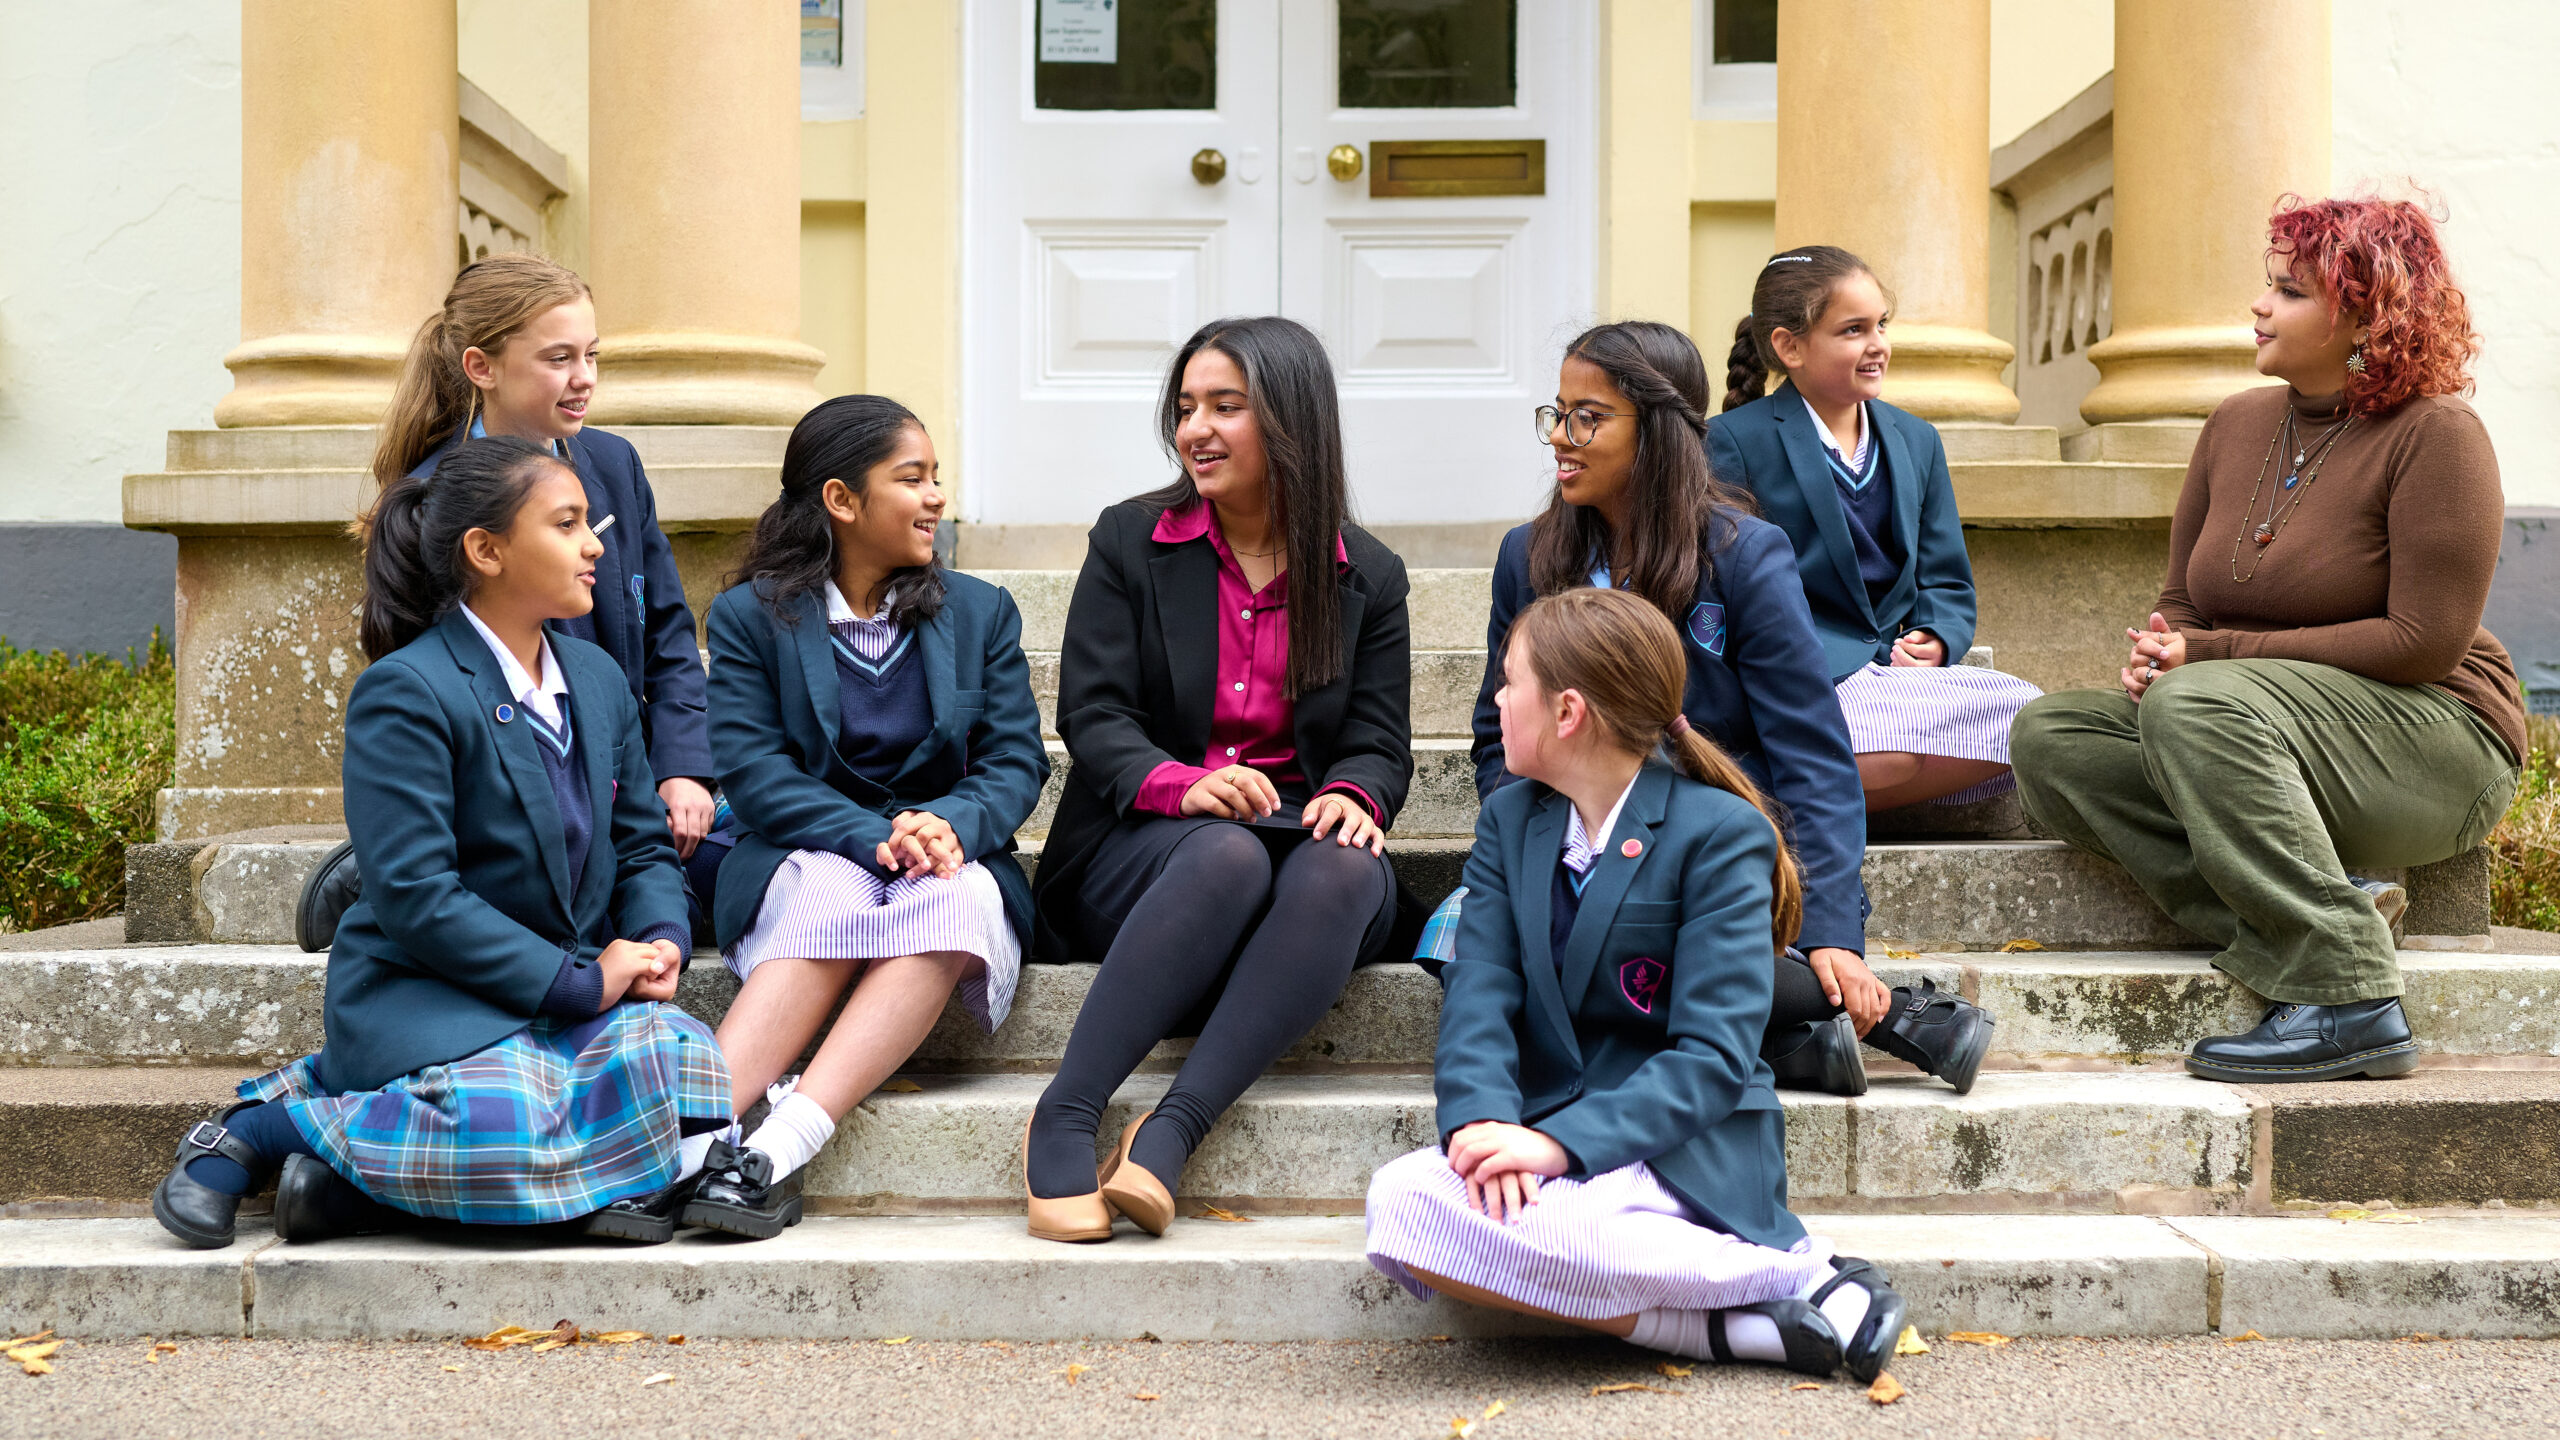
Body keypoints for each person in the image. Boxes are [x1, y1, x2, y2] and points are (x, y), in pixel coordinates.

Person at [150, 436, 731, 1250]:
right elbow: (418, 896)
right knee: (509, 1118)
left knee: (688, 1059)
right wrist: (577, 984)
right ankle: (276, 1127)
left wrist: (661, 937)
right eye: (566, 525)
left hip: (561, 996)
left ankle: (352, 1193)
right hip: (432, 993)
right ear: (486, 551)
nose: (596, 544)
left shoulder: (596, 681)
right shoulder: (406, 691)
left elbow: (640, 849)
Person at [2010, 196, 2521, 1082]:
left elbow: (2423, 642)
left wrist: (2204, 663)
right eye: (2269, 285)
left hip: (2434, 739)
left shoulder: (2437, 437)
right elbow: (2185, 604)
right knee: (2052, 740)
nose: (2260, 306)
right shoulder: (2237, 424)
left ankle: (2349, 995)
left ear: (2364, 313)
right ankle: (2336, 907)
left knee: (2198, 701)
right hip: (2245, 728)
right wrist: (2161, 652)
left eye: (2288, 291)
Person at [1369, 587, 1910, 1382]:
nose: (1495, 699)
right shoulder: (1509, 822)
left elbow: (1714, 1060)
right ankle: (1744, 1325)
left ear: (1568, 713)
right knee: (1403, 1204)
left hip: (1680, 1148)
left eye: (1509, 681)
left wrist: (1558, 1147)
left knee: (1587, 1238)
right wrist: (1488, 1129)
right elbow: (1479, 995)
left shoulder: (1719, 833)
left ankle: (1800, 1269)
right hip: (1551, 1132)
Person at [1459, 320, 1992, 1097]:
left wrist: (1830, 931)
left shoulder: (1742, 555)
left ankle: (1811, 1017)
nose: (1561, 439)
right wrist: (1534, 840)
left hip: (1697, 843)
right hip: (1565, 840)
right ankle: (1801, 1042)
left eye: (1589, 417)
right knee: (1457, 951)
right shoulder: (1530, 555)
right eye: (1558, 414)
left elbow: (1811, 753)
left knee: (1606, 944)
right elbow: (1491, 734)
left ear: (1660, 433)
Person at [1023, 316, 1414, 1242]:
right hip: (1143, 851)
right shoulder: (1130, 541)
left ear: (1290, 421)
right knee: (1228, 854)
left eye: (1224, 407)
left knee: (1349, 869)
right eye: (1186, 407)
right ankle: (1069, 1110)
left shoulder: (1370, 577)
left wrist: (1352, 794)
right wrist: (1180, 782)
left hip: (1291, 870)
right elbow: (1094, 713)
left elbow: (1379, 744)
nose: (1195, 428)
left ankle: (1171, 1131)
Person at [688, 395, 1048, 1238]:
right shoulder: (752, 616)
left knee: (957, 902)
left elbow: (1014, 763)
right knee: (829, 894)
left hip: (950, 853)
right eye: (912, 479)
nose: (936, 499)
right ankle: (682, 1145)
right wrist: (873, 834)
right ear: (842, 501)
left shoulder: (980, 611)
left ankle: (774, 1151)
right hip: (807, 843)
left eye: (936, 479)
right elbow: (755, 773)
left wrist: (950, 823)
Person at [294, 254, 720, 952]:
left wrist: (682, 770)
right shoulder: (434, 501)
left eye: (592, 355)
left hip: (629, 786)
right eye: (558, 358)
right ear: (480, 367)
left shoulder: (613, 464)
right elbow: (435, 699)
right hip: (519, 801)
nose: (583, 378)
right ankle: (373, 879)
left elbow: (668, 632)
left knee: (741, 878)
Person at [1712, 246, 2042, 813]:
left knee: (2033, 721)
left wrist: (1936, 638)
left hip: (1893, 674)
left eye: (1881, 325)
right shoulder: (1733, 440)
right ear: (1789, 347)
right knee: (1892, 753)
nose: (1877, 345)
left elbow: (1946, 580)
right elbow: (1724, 586)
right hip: (1798, 674)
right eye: (1853, 330)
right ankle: (1807, 786)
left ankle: (1792, 792)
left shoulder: (1917, 440)